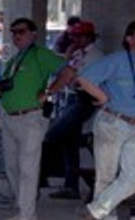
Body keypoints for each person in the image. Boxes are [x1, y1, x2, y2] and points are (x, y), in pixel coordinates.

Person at [0, 18, 67, 220]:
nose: (17, 35)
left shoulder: (40, 54)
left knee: (28, 168)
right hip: (9, 116)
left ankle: (28, 214)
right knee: (12, 166)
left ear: (33, 33)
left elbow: (68, 71)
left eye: (21, 32)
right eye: (13, 31)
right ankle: (22, 209)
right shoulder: (13, 57)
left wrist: (50, 92)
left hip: (30, 117)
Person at [76, 19, 135, 220]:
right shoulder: (117, 60)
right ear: (129, 38)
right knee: (106, 176)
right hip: (113, 122)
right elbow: (84, 78)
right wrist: (103, 98)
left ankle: (92, 212)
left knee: (132, 177)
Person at [43, 19, 104, 200]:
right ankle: (71, 185)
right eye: (73, 36)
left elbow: (79, 78)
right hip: (73, 97)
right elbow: (66, 72)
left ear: (88, 37)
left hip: (87, 99)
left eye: (78, 36)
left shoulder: (96, 56)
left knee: (56, 135)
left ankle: (94, 182)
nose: (74, 39)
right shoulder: (78, 54)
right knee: (71, 142)